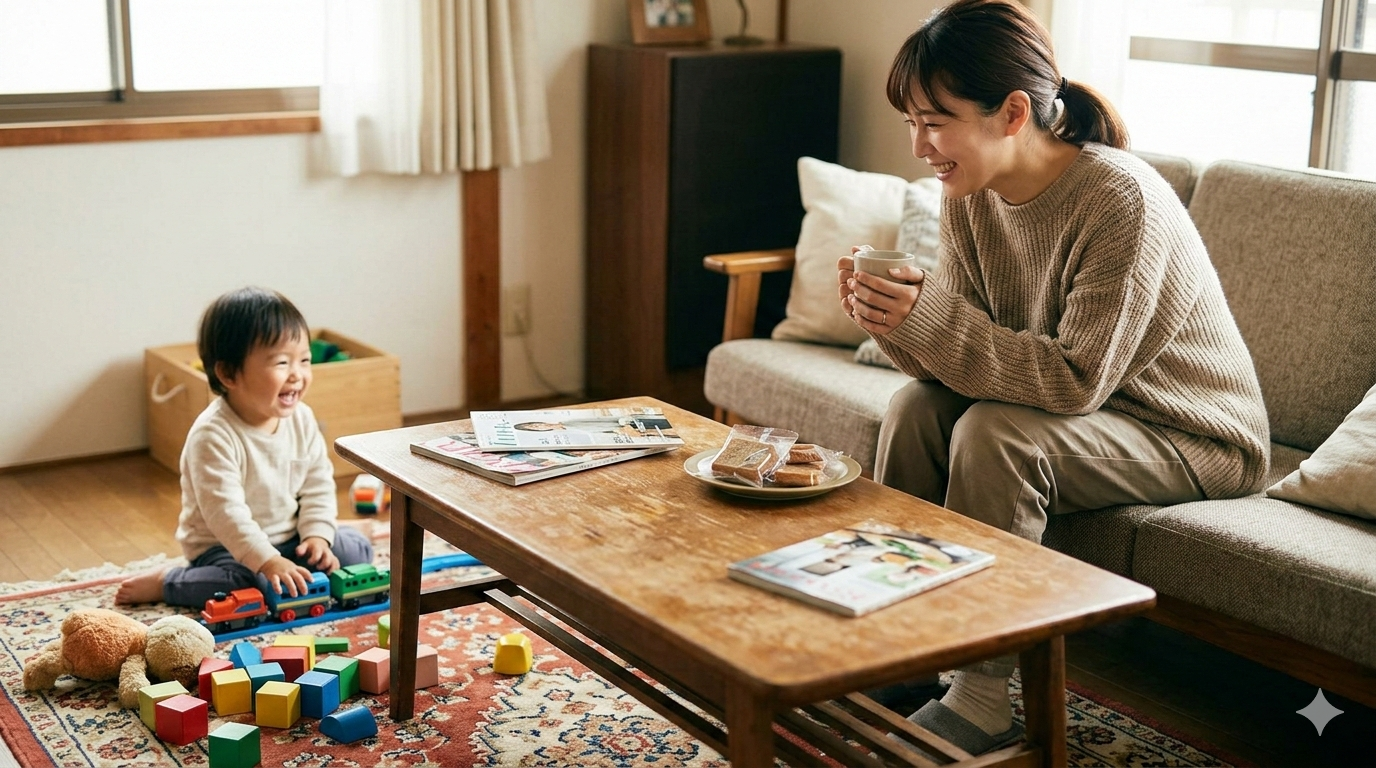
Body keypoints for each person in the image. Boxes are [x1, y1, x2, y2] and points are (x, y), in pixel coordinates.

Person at [837, 0, 1269, 754]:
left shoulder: (1118, 199)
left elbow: (1074, 380)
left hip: (1188, 430)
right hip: (1082, 414)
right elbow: (957, 361)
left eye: (934, 122)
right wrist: (896, 323)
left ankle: (982, 698)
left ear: (1011, 113)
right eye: (912, 122)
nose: (919, 145)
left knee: (999, 436)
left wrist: (930, 319)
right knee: (913, 407)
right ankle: (899, 648)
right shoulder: (969, 199)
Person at [115, 287, 374, 607]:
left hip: (289, 538)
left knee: (353, 551)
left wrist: (317, 536)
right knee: (248, 586)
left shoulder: (302, 418)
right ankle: (168, 582)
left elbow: (317, 483)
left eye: (304, 360)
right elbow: (227, 515)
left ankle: (331, 533)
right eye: (281, 363)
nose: (297, 374)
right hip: (225, 547)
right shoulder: (212, 436)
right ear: (228, 373)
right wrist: (266, 561)